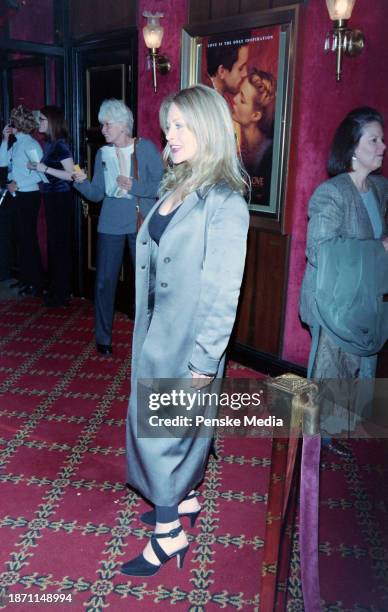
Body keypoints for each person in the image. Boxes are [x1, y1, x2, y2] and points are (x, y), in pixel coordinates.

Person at [121, 84, 249, 577]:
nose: (168, 134)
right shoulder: (177, 184)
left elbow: (223, 293)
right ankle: (184, 500)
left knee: (163, 433)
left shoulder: (225, 202)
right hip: (157, 331)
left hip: (188, 342)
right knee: (170, 426)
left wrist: (202, 360)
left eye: (179, 125)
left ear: (208, 128)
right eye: (167, 124)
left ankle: (169, 534)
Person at [300, 106, 388, 456]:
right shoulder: (331, 194)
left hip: (362, 298)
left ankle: (335, 428)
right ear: (353, 147)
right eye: (375, 139)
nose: (382, 146)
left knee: (355, 366)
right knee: (329, 370)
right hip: (331, 299)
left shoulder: (380, 189)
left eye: (383, 139)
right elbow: (320, 250)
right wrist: (377, 249)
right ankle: (314, 442)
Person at [73, 99, 163, 355]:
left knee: (146, 284)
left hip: (139, 223)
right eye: (102, 124)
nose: (102, 129)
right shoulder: (103, 153)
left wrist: (134, 186)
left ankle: (148, 338)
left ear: (123, 125)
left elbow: (162, 186)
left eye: (107, 124)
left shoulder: (145, 149)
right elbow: (97, 194)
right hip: (110, 223)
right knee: (104, 283)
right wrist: (79, 181)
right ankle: (103, 338)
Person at [27, 106, 74, 307]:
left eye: (43, 120)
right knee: (54, 245)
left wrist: (43, 168)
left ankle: (62, 294)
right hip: (52, 198)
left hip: (61, 199)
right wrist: (37, 168)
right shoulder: (50, 144)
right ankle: (57, 290)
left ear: (52, 121)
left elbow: (72, 175)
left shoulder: (60, 145)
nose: (40, 123)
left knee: (60, 246)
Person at [0, 106, 44, 294]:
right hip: (16, 195)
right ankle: (25, 279)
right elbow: (2, 163)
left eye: (13, 122)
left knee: (28, 239)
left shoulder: (32, 145)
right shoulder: (16, 143)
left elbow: (40, 175)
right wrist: (4, 139)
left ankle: (35, 282)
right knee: (20, 238)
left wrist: (18, 184)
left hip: (29, 196)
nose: (10, 125)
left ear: (19, 124)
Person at [231, 69, 276, 204]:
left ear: (256, 115)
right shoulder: (238, 147)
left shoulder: (268, 156)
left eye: (242, 100)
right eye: (238, 92)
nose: (234, 99)